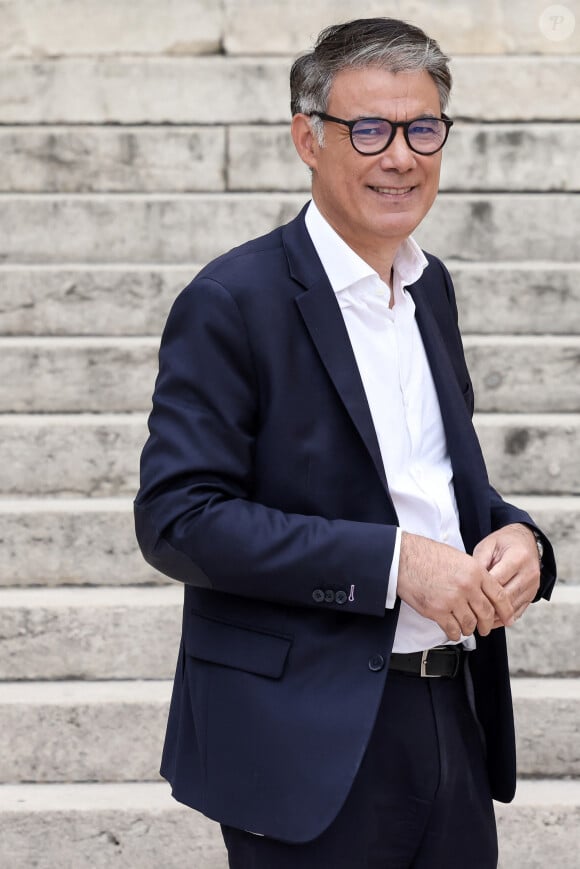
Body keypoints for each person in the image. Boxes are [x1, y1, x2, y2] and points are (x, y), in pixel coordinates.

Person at [135, 17, 556, 869]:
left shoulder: (431, 290)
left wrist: (519, 537)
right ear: (307, 137)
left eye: (422, 128)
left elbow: (437, 485)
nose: (400, 155)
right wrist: (398, 564)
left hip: (452, 715)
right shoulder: (231, 300)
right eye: (369, 129)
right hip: (303, 738)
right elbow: (178, 518)